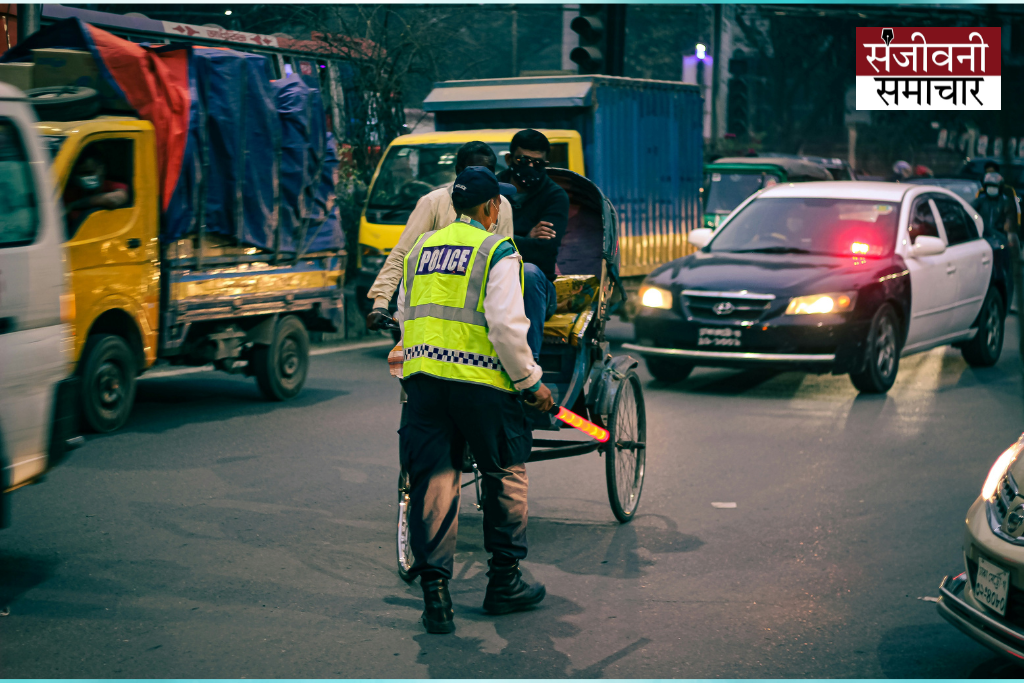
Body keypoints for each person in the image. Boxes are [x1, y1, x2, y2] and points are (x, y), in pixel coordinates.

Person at [396, 166, 553, 634]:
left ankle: (436, 599)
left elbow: (409, 315)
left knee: (434, 482)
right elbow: (506, 327)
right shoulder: (496, 250)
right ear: (492, 209)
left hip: (424, 383)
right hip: (482, 386)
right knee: (504, 473)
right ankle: (504, 583)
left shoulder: (421, 249)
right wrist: (530, 382)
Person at [366, 141, 513, 331]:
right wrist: (380, 303)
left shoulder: (503, 206)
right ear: (458, 170)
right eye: (474, 170)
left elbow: (507, 265)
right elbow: (402, 254)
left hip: (480, 310)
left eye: (488, 171)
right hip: (432, 307)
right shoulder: (433, 203)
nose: (482, 178)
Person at [497, 129, 570, 360]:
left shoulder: (555, 196)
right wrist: (526, 238)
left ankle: (529, 366)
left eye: (537, 163)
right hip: (491, 281)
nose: (529, 167)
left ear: (545, 164)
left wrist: (500, 237)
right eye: (522, 160)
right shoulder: (491, 188)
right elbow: (473, 238)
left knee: (528, 271)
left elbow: (544, 251)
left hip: (536, 290)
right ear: (509, 160)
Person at [62, 154, 129, 229]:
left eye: (90, 172)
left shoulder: (113, 186)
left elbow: (114, 199)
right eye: (81, 174)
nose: (86, 177)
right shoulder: (70, 194)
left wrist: (75, 205)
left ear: (102, 169)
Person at [973, 172, 1018, 239]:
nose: (991, 188)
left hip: (999, 235)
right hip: (981, 233)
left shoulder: (1005, 201)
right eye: (989, 186)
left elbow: (1009, 218)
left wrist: (1007, 227)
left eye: (994, 186)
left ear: (1000, 188)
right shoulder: (980, 200)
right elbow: (972, 212)